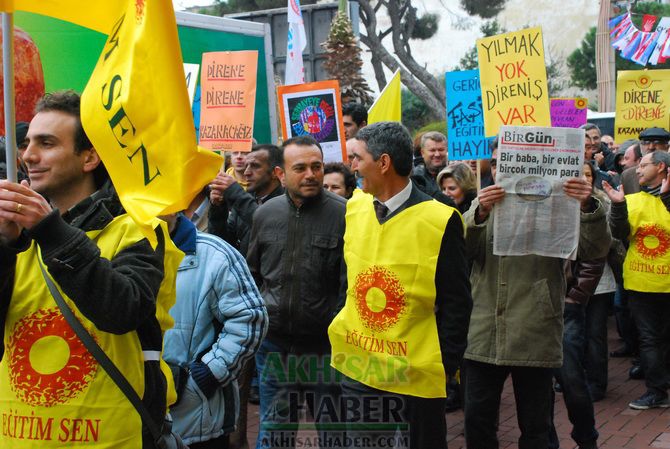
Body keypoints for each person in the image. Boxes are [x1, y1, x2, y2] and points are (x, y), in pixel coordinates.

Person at [0, 90, 182, 448]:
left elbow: (121, 310)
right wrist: (5, 248)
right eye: (27, 143)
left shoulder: (137, 228)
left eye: (47, 143)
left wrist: (50, 231)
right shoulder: (14, 236)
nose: (28, 156)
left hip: (112, 438)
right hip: (18, 436)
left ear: (89, 157)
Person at [329, 122, 472, 449]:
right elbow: (346, 279)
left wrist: (446, 365)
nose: (352, 167)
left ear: (383, 163)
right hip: (359, 367)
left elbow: (457, 301)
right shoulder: (355, 206)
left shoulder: (440, 218)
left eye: (357, 158)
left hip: (414, 372)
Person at [463, 169, 610, 449]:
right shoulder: (483, 201)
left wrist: (587, 207)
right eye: (498, 163)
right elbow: (464, 252)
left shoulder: (560, 203)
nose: (502, 171)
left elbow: (594, 250)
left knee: (536, 426)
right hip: (485, 328)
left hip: (536, 327)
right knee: (478, 422)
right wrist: (480, 213)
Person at [247, 136, 346, 449]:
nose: (311, 175)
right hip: (274, 347)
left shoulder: (346, 214)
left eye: (316, 167)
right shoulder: (264, 214)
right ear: (281, 174)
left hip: (325, 349)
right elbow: (253, 274)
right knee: (275, 432)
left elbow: (351, 285)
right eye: (300, 168)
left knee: (333, 434)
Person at [163, 213, 267, 449]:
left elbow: (250, 318)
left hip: (196, 419)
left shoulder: (215, 254)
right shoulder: (110, 247)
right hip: (126, 418)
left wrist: (206, 375)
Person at [603, 151, 670, 409]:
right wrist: (618, 206)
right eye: (638, 165)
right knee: (650, 337)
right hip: (641, 282)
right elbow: (619, 234)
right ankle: (656, 390)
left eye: (644, 165)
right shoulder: (631, 200)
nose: (637, 170)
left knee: (661, 337)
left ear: (661, 167)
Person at [209, 144, 284, 255]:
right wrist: (218, 208)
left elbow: (265, 223)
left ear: (275, 172)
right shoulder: (244, 199)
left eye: (255, 166)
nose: (246, 172)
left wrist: (234, 191)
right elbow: (224, 244)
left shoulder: (286, 201)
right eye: (247, 166)